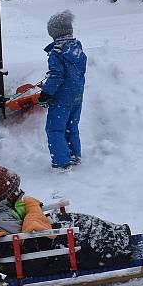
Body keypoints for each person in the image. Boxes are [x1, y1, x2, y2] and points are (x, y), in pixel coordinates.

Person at [0, 162, 132, 285]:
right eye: (14, 190)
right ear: (3, 196)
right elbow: (25, 237)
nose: (19, 192)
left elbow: (24, 215)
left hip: (33, 243)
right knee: (83, 240)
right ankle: (117, 247)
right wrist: (35, 216)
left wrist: (34, 214)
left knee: (78, 221)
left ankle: (116, 234)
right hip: (28, 256)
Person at [38, 10, 87, 171]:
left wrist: (46, 93)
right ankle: (74, 154)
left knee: (54, 129)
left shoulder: (57, 52)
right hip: (77, 95)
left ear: (53, 32)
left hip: (62, 98)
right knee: (71, 126)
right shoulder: (76, 48)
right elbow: (74, 72)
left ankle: (61, 162)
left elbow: (57, 76)